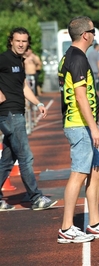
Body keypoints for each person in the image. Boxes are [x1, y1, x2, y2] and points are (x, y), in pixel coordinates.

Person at [57, 16, 99, 243]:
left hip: (85, 124)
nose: (95, 34)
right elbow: (80, 96)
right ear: (86, 34)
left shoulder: (74, 56)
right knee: (79, 174)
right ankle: (66, 228)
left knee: (96, 171)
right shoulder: (77, 58)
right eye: (94, 30)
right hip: (80, 125)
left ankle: (94, 223)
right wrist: (94, 128)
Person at [0, 27, 58, 211]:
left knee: (7, 161)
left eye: (24, 41)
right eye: (17, 40)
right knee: (25, 157)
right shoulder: (3, 58)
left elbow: (23, 87)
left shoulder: (20, 61)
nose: (21, 44)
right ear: (11, 41)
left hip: (17, 113)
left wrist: (38, 103)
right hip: (9, 114)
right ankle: (36, 198)